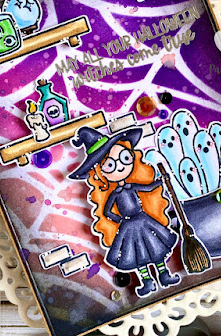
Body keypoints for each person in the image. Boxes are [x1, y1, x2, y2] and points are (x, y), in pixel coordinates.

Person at [68, 126, 180, 298]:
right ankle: (147, 282)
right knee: (137, 255)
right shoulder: (114, 194)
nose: (119, 167)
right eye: (110, 165)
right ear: (100, 172)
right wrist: (119, 220)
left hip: (143, 220)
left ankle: (164, 275)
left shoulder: (131, 185)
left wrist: (161, 181)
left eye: (125, 158)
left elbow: (147, 188)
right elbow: (107, 211)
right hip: (128, 226)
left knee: (155, 248)